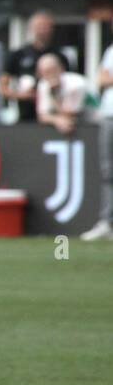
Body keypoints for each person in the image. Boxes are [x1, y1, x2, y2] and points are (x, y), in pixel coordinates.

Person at [0, 11, 68, 123]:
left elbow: (68, 83)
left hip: (53, 113)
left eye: (46, 26)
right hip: (25, 114)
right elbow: (2, 87)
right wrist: (22, 95)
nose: (42, 30)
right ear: (31, 28)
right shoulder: (18, 55)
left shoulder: (60, 56)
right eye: (39, 26)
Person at [81, 30, 113, 241]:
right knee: (108, 170)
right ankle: (108, 221)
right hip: (109, 115)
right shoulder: (111, 50)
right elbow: (102, 79)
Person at [34, 53, 91, 135]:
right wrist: (57, 120)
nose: (50, 75)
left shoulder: (77, 83)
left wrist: (53, 94)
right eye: (46, 72)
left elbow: (70, 113)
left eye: (53, 70)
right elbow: (42, 116)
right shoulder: (43, 85)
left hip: (94, 121)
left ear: (61, 69)